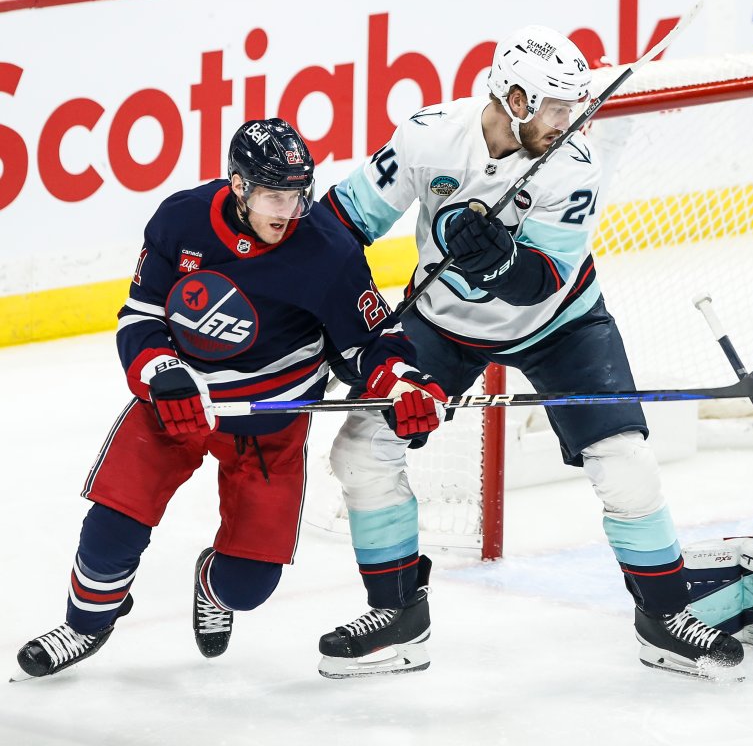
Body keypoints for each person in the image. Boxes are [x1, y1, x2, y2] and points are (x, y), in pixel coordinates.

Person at [315, 25, 743, 679]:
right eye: (554, 107)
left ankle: (663, 615)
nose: (568, 121)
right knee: (361, 451)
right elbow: (341, 224)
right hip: (440, 325)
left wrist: (499, 259)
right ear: (513, 97)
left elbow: (541, 280)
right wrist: (340, 323)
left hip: (561, 325)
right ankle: (398, 617)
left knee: (624, 461)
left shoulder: (574, 163)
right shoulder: (431, 137)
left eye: (574, 106)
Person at [13, 119, 443, 680]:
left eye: (296, 195)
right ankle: (87, 624)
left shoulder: (328, 250)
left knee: (248, 586)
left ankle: (211, 583)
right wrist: (161, 370)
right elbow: (141, 317)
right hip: (178, 406)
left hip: (271, 425)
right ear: (239, 185)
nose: (287, 210)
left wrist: (406, 384)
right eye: (272, 194)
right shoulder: (180, 220)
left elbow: (368, 343)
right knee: (113, 521)